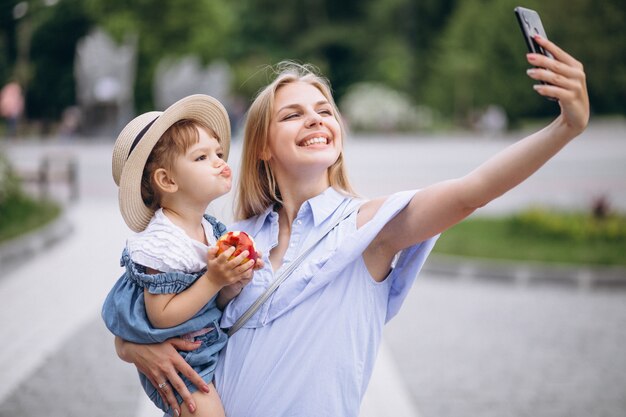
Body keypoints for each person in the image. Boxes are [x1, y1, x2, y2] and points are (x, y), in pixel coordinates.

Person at [114, 35, 589, 417]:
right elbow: (145, 301)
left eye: (325, 111)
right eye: (293, 114)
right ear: (263, 146)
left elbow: (472, 190)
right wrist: (133, 348)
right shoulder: (229, 236)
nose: (316, 120)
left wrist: (564, 128)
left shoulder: (370, 229)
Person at [102, 94, 261, 417]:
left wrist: (232, 282)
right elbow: (161, 314)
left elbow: (206, 302)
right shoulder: (162, 242)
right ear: (167, 180)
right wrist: (215, 279)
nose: (219, 161)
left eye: (217, 152)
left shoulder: (209, 229)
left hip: (204, 344)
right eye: (201, 158)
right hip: (180, 361)